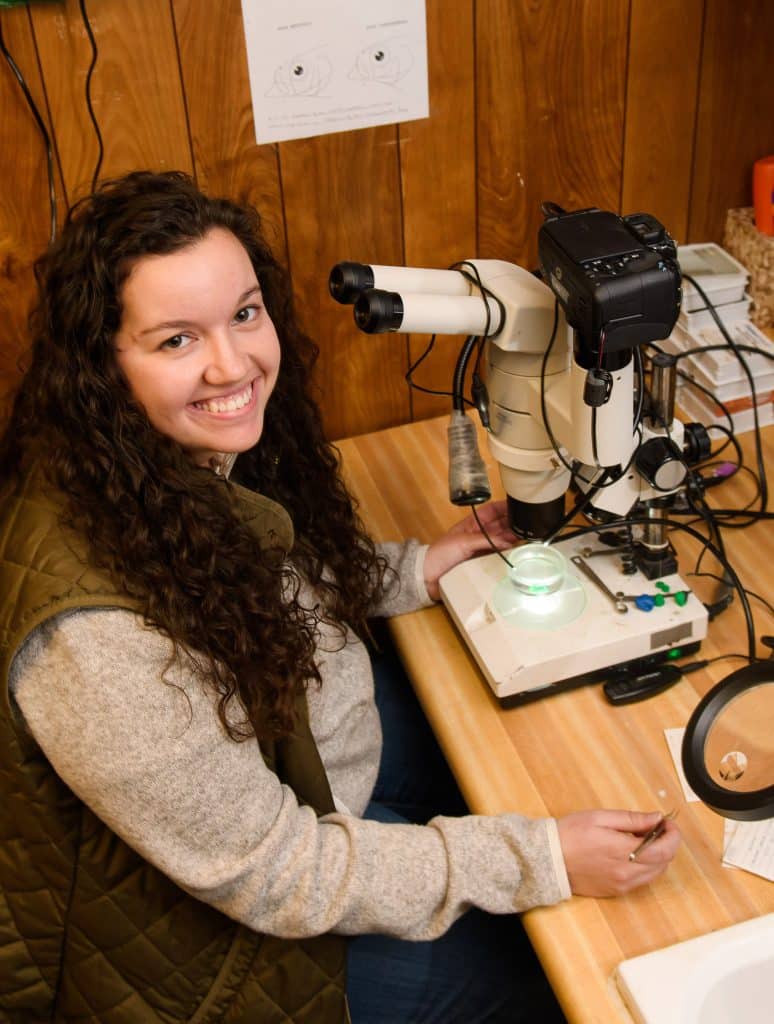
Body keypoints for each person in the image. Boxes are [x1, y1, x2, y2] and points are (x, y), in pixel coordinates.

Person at [0, 171, 680, 1024]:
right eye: (176, 340)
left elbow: (258, 572)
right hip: (221, 956)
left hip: (301, 786)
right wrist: (538, 859)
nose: (232, 364)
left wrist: (414, 569)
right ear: (102, 363)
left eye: (245, 314)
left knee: (511, 758)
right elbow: (282, 873)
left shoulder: (148, 467)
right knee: (550, 977)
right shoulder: (94, 646)